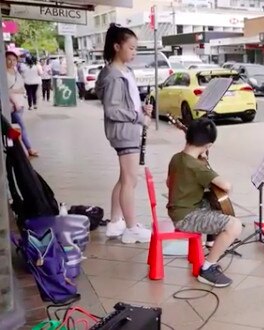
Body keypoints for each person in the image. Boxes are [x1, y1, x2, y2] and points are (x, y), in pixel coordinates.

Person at [167, 118, 243, 287]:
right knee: (234, 226)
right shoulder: (197, 167)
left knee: (212, 203)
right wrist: (206, 167)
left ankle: (211, 242)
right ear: (208, 145)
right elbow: (226, 186)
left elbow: (168, 183)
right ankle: (207, 269)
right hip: (185, 217)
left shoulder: (176, 158)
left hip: (177, 209)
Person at [95, 23, 152, 244]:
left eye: (136, 48)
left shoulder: (125, 71)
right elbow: (112, 109)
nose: (134, 52)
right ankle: (131, 228)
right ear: (117, 46)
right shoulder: (112, 75)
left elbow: (127, 103)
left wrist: (141, 111)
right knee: (131, 180)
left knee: (124, 178)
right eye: (131, 48)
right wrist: (138, 116)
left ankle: (115, 222)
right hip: (124, 132)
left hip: (128, 129)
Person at [6, 49, 38, 157]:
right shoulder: (4, 74)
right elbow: (5, 91)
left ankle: (12, 147)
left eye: (14, 60)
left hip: (20, 104)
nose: (11, 62)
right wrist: (15, 99)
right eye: (9, 59)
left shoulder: (16, 72)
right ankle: (28, 148)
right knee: (20, 127)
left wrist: (18, 91)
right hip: (12, 106)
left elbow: (22, 87)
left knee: (12, 128)